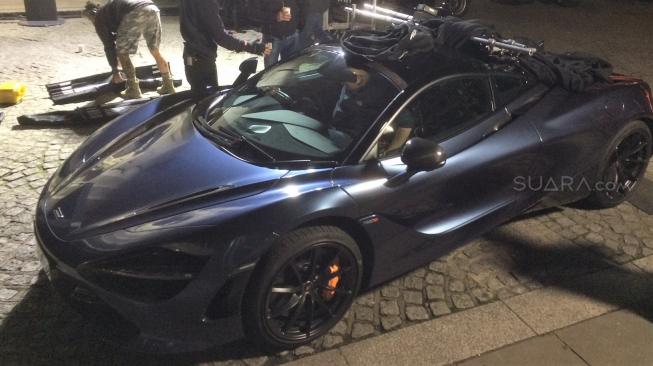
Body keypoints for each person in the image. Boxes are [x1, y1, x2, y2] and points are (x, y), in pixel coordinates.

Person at [82, 0, 175, 99]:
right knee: (154, 50)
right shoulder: (109, 10)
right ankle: (168, 85)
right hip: (152, 8)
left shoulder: (99, 18)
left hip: (136, 12)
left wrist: (115, 71)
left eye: (90, 19)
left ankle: (133, 89)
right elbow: (121, 31)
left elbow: (108, 46)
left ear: (92, 14)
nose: (92, 22)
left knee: (122, 53)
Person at [179, 0, 271, 100]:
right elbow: (221, 38)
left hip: (190, 56)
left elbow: (205, 26)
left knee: (198, 95)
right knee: (208, 100)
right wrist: (254, 47)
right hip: (202, 59)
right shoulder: (206, 3)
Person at [261, 0, 301, 68]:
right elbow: (254, 13)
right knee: (270, 71)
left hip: (293, 35)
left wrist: (300, 25)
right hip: (271, 38)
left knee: (291, 70)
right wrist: (275, 16)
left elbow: (302, 5)